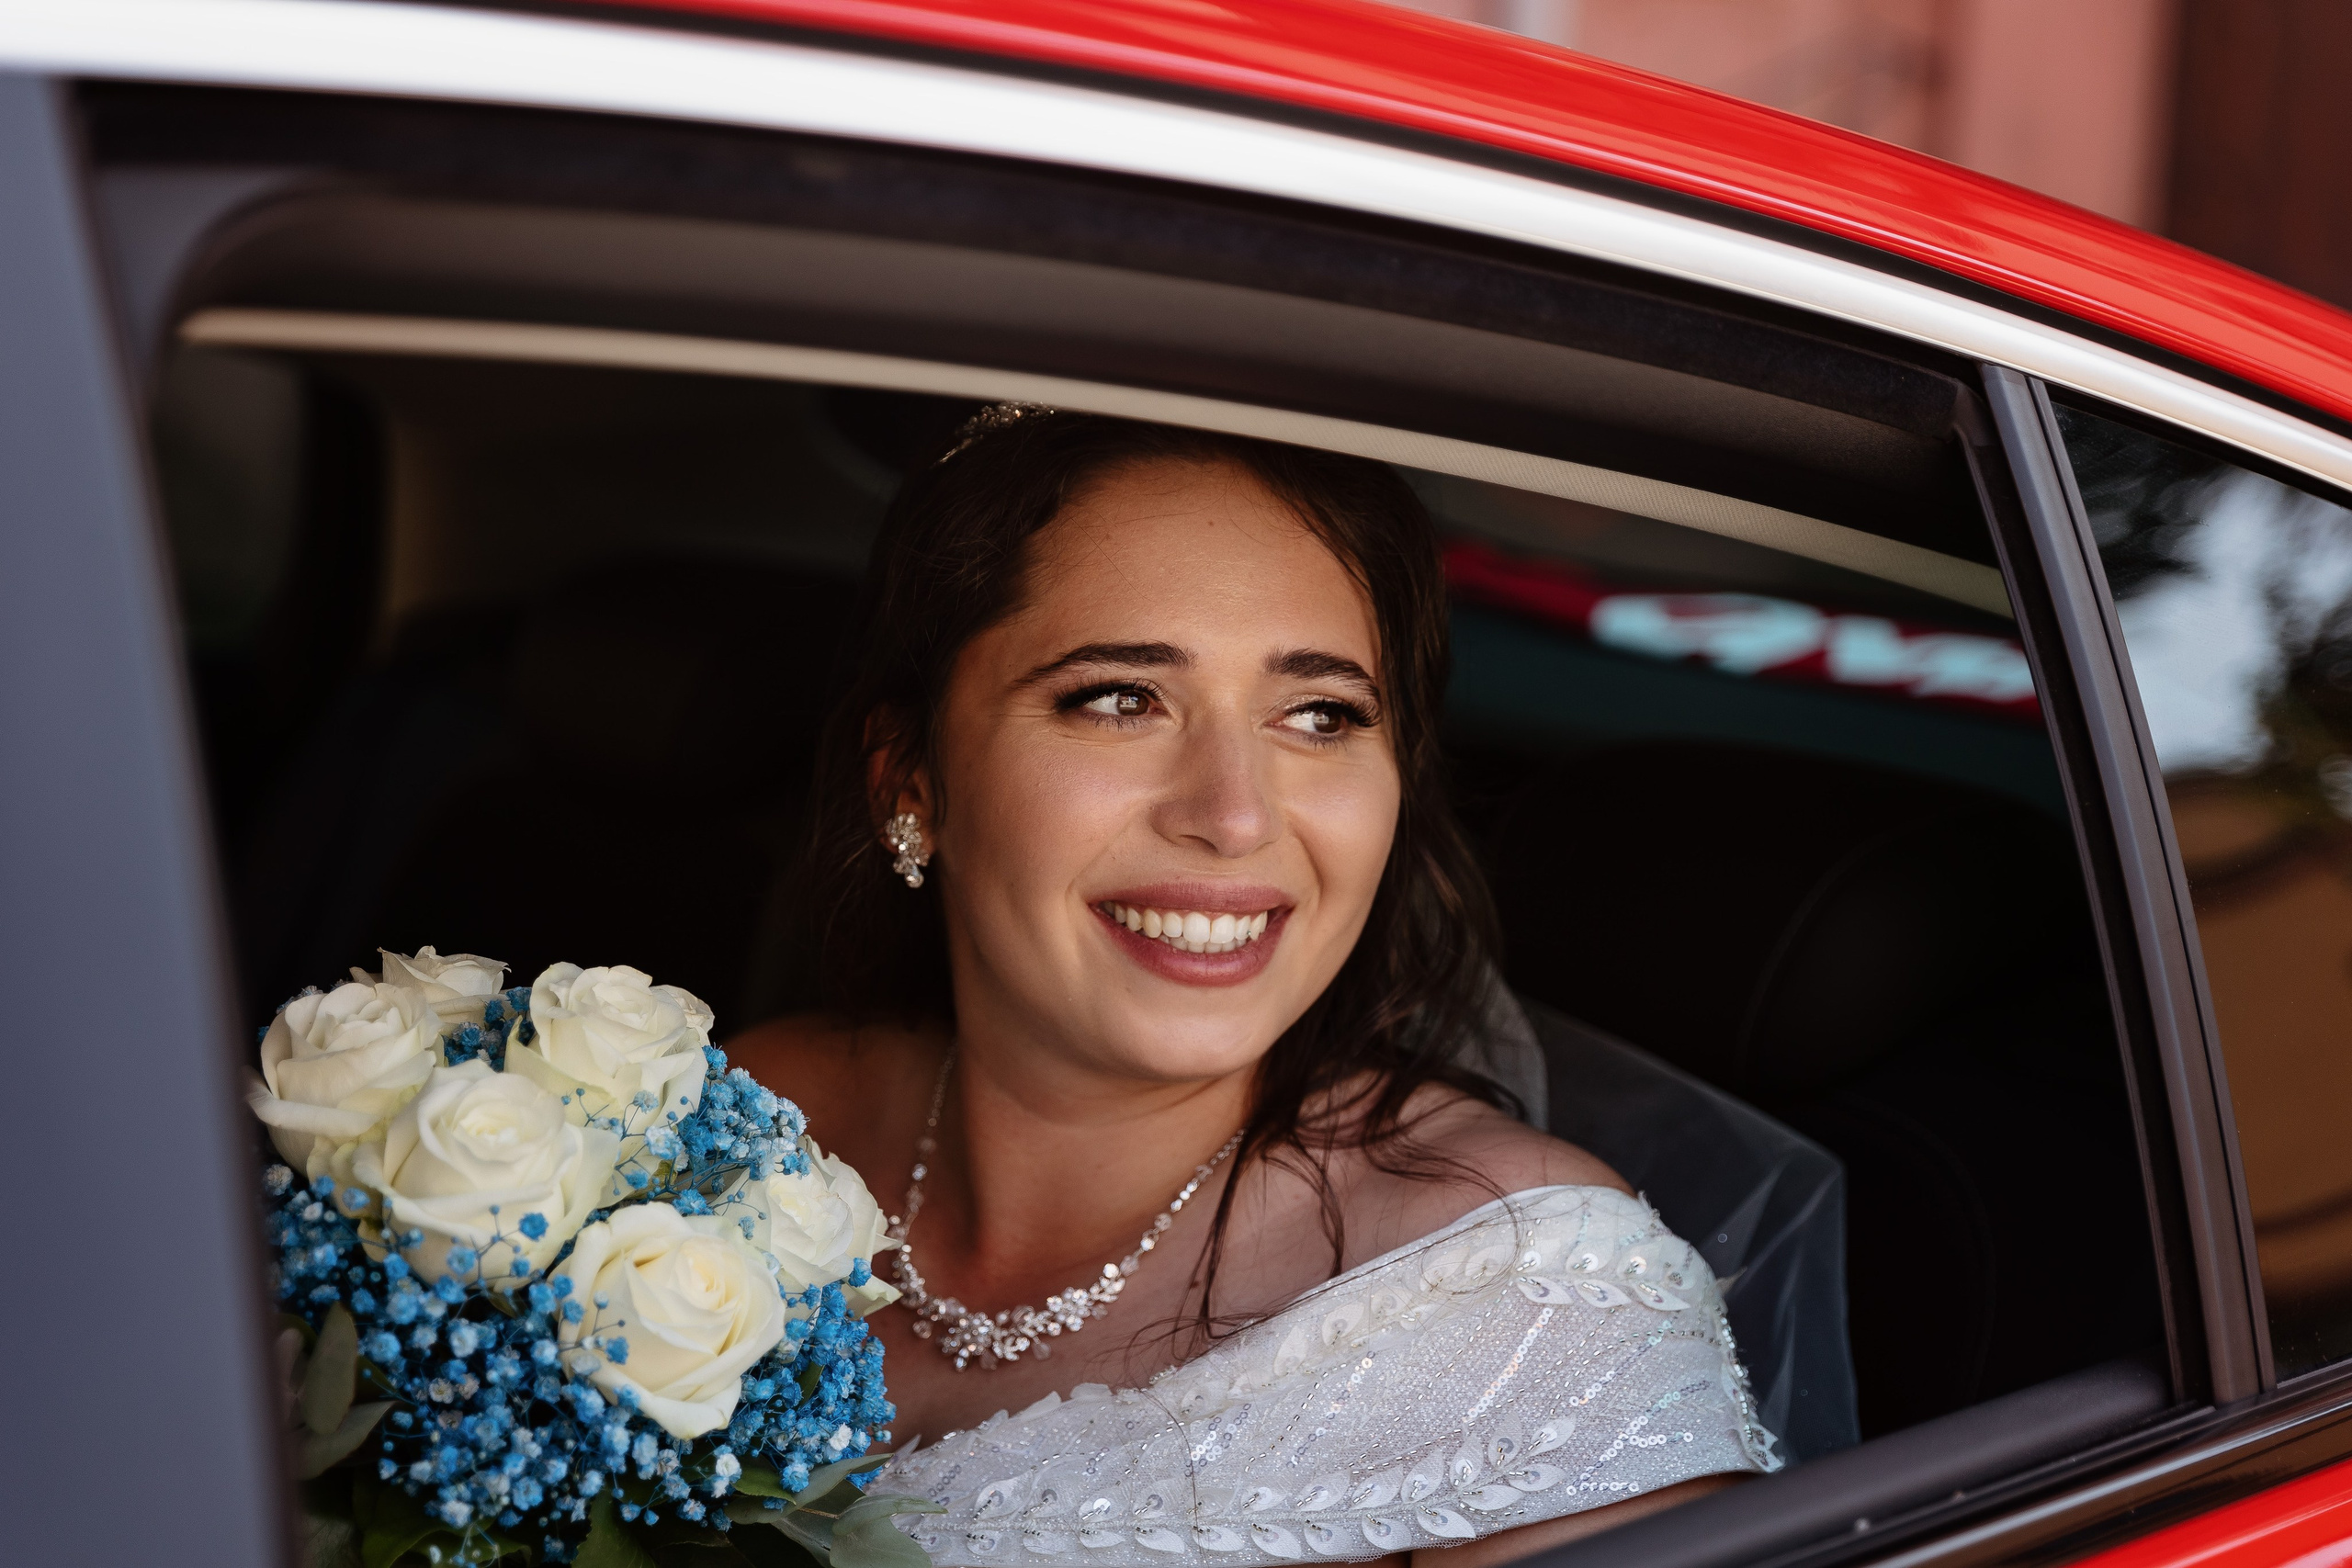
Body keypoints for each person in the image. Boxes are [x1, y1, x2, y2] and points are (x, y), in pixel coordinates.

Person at [730, 408, 1779, 1568]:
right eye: (1122, 697)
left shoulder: (1528, 1301)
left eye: (1319, 715)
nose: (1232, 816)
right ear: (910, 778)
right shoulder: (742, 1124)